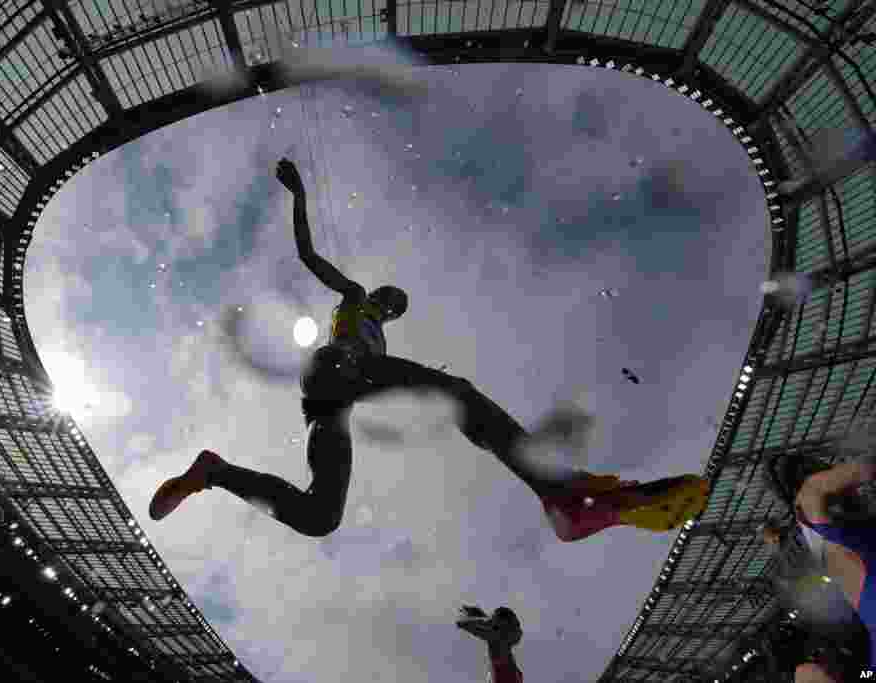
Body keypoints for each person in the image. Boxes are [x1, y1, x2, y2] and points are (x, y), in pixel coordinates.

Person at [149, 157, 710, 541]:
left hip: (332, 404)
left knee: (322, 517)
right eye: (391, 299)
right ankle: (559, 491)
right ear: (381, 294)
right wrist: (298, 194)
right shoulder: (354, 296)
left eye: (395, 308)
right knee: (457, 393)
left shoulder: (378, 334)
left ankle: (213, 472)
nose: (391, 307)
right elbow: (308, 255)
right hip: (339, 365)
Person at [762, 451, 876, 682]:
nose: (828, 465)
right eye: (819, 464)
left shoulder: (833, 517)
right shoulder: (809, 493)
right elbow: (863, 470)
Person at [457, 605, 524, 683]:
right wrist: (485, 619)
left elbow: (463, 623)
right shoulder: (497, 638)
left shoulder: (500, 638)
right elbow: (462, 623)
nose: (519, 632)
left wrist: (485, 619)